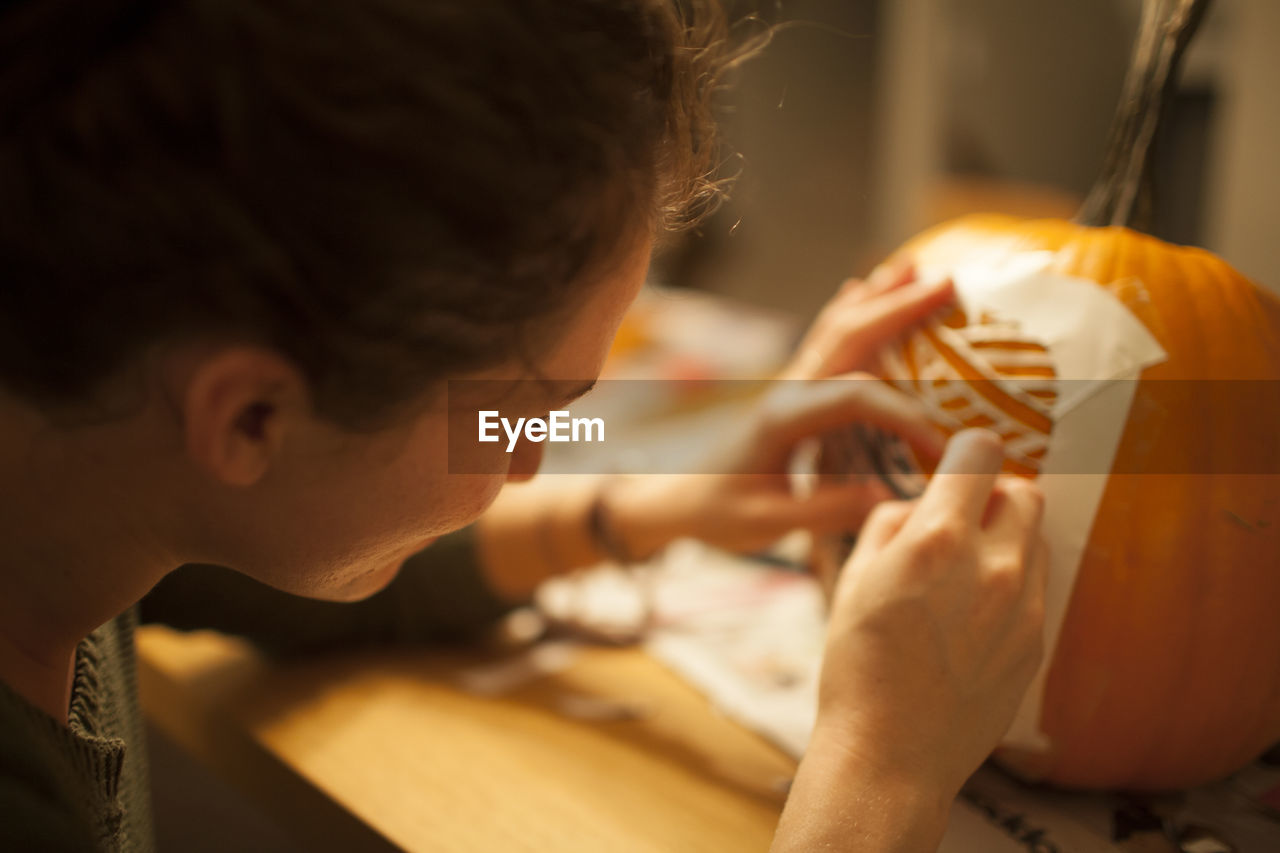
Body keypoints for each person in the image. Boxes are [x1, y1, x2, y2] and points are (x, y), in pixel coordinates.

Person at [0, 1, 1047, 851]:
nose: (533, 455)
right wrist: (879, 769)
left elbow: (293, 549)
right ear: (250, 416)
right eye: (529, 409)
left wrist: (640, 499)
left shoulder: (90, 463)